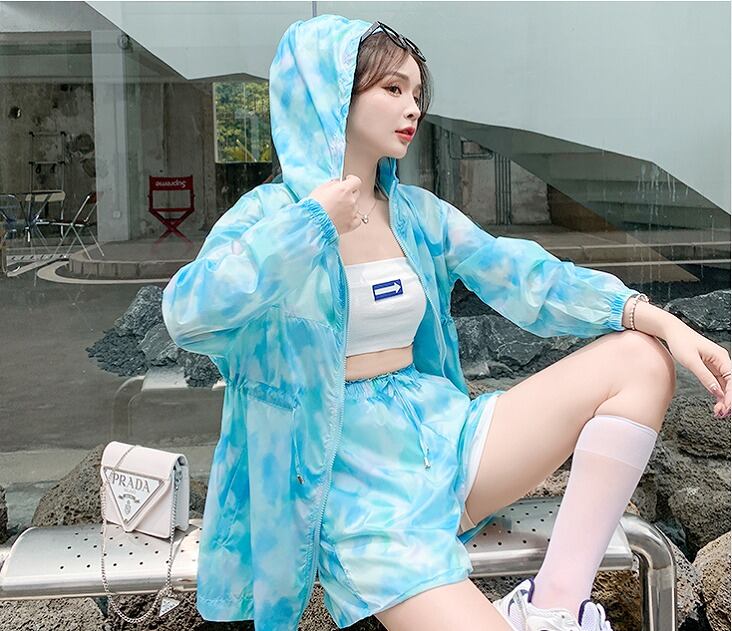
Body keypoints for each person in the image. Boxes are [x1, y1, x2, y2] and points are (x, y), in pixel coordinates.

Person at [161, 14, 732, 631]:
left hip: (441, 440)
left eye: (417, 93)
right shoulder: (271, 214)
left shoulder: (415, 213)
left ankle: (552, 609)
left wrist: (663, 323)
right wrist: (311, 224)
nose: (412, 108)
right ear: (332, 93)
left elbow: (525, 275)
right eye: (392, 89)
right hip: (348, 486)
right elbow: (189, 313)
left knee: (641, 360)